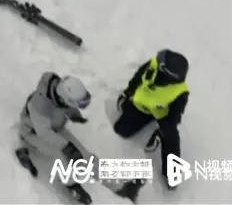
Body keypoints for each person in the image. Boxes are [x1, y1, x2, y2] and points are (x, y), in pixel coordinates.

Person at [16, 72, 144, 204]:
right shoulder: (40, 106)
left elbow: (66, 106)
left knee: (85, 156)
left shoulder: (60, 91)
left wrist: (73, 114)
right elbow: (44, 133)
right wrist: (65, 146)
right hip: (33, 133)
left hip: (55, 127)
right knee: (60, 157)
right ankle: (73, 187)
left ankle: (120, 187)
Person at [114, 49, 190, 189]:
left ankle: (171, 173)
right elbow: (138, 77)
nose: (157, 60)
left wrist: (164, 131)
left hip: (161, 114)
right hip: (140, 106)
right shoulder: (154, 64)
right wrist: (128, 92)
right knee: (122, 130)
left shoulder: (180, 92)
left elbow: (174, 117)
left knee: (171, 135)